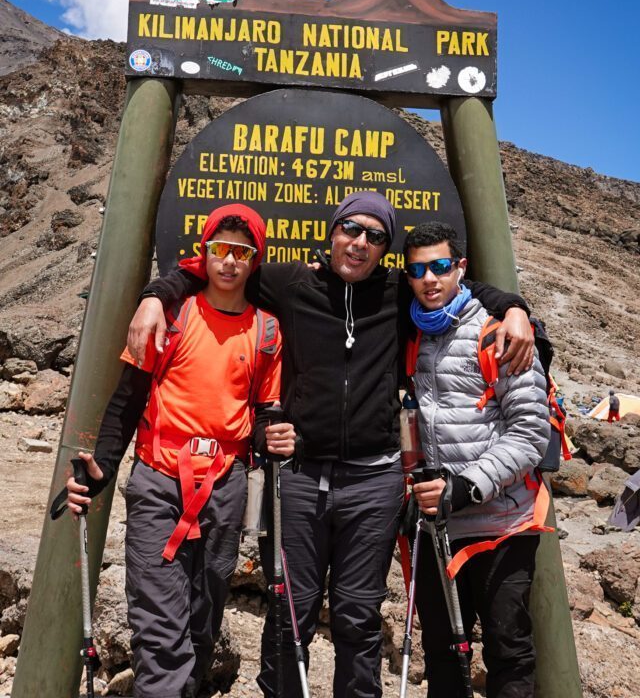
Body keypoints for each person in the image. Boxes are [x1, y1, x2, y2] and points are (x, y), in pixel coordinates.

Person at [127, 191, 535, 698]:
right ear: (333, 230)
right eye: (351, 229)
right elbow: (218, 266)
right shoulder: (291, 283)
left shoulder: (398, 293)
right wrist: (154, 295)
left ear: (385, 249)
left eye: (375, 236)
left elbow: (454, 287)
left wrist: (514, 308)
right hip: (299, 478)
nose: (360, 242)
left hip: (375, 480)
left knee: (358, 616)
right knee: (287, 613)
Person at [65, 204, 294, 698]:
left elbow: (261, 416)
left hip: (226, 485)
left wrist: (271, 438)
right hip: (159, 478)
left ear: (255, 260)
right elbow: (128, 398)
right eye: (220, 250)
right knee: (159, 621)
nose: (230, 261)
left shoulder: (268, 332)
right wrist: (98, 470)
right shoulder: (172, 315)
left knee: (203, 617)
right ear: (205, 252)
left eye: (242, 252)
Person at [404, 222, 550, 698]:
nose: (430, 279)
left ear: (460, 268)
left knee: (509, 652)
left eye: (441, 267)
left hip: (501, 525)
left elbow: (531, 432)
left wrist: (466, 486)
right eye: (418, 269)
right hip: (435, 526)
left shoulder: (501, 335)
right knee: (443, 656)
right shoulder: (407, 332)